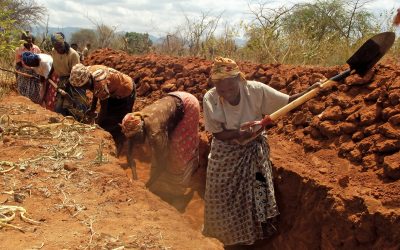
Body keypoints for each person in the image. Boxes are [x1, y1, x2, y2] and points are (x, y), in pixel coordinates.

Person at [202, 57, 321, 248]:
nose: (226, 94)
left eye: (230, 88)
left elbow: (287, 102)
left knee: (257, 192)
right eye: (221, 90)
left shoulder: (256, 90)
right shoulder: (210, 98)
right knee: (221, 196)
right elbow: (217, 133)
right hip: (225, 153)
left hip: (254, 151)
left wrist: (310, 91)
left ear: (239, 79)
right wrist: (240, 133)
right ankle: (225, 239)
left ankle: (255, 237)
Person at [121, 91, 200, 210]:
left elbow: (162, 159)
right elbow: (131, 143)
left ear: (142, 129)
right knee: (164, 148)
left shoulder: (154, 132)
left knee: (178, 152)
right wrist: (134, 173)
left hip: (188, 105)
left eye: (138, 137)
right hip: (173, 101)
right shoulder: (135, 119)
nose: (137, 141)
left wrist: (149, 183)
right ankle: (161, 188)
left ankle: (178, 194)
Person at [69, 63, 136, 153]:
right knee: (108, 120)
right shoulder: (87, 72)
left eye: (84, 86)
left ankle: (120, 147)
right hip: (111, 91)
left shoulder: (100, 81)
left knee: (117, 122)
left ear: (87, 79)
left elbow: (104, 109)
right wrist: (92, 109)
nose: (84, 89)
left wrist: (98, 125)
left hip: (125, 91)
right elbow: (95, 91)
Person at [51, 32, 88, 118]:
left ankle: (81, 120)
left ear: (63, 42)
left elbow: (76, 73)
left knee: (78, 105)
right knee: (59, 108)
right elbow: (54, 64)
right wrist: (49, 76)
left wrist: (67, 84)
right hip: (62, 80)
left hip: (74, 80)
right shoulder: (53, 51)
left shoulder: (73, 54)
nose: (59, 49)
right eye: (56, 47)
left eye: (60, 46)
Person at [14, 31, 42, 104]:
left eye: (30, 38)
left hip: (35, 74)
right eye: (26, 38)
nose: (28, 40)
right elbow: (18, 64)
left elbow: (40, 61)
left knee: (35, 93)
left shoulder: (36, 48)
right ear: (22, 39)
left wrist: (37, 72)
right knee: (23, 94)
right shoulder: (19, 49)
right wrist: (22, 74)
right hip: (24, 74)